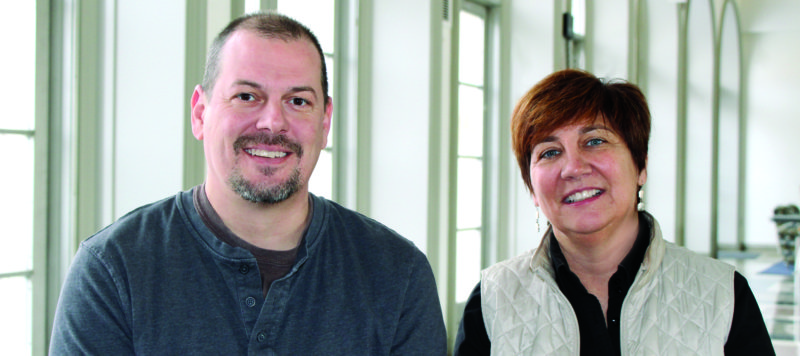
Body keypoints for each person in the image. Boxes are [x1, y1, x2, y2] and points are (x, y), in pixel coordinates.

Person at [49, 12, 447, 355]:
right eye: (246, 96)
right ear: (200, 113)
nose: (273, 122)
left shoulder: (398, 275)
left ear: (324, 122)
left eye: (298, 101)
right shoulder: (112, 271)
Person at [453, 69, 774, 355]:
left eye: (594, 142)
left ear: (641, 166)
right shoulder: (494, 299)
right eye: (550, 152)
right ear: (532, 189)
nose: (573, 168)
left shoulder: (722, 293)